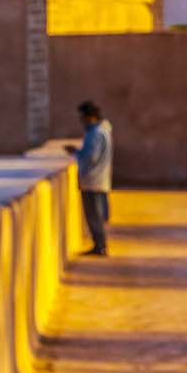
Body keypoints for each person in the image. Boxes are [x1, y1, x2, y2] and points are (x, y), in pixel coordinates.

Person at [63, 100, 113, 257]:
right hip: (98, 181)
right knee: (97, 215)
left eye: (83, 118)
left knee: (94, 216)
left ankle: (100, 246)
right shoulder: (103, 131)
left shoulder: (95, 133)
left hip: (93, 181)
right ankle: (99, 244)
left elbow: (91, 156)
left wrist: (76, 152)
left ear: (90, 117)